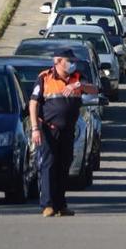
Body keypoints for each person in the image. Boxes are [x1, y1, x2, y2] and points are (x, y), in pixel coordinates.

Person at [29, 48, 98, 217]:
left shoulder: (77, 77)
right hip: (48, 130)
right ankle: (47, 204)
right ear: (58, 61)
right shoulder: (45, 78)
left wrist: (79, 85)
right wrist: (35, 129)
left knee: (63, 166)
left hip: (68, 131)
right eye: (69, 60)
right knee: (49, 166)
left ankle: (61, 205)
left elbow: (94, 90)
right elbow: (33, 104)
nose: (73, 64)